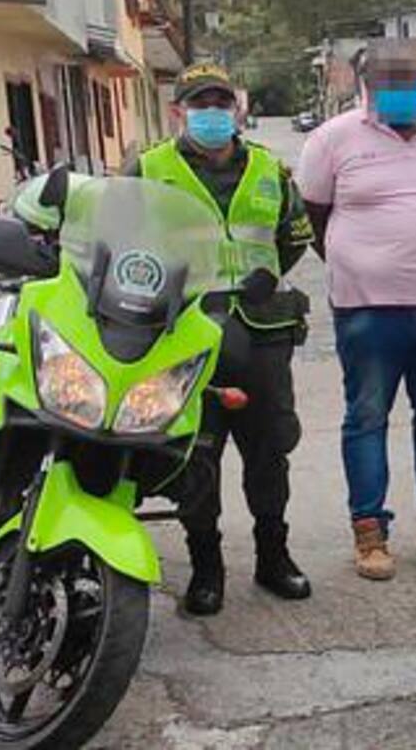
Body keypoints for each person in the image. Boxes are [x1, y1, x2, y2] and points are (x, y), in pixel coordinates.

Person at [125, 62, 315, 615]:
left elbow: (293, 234)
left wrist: (267, 274)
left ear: (237, 109)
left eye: (221, 103)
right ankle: (206, 567)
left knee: (269, 449)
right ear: (178, 110)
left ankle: (273, 557)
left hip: (262, 331)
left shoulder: (268, 169)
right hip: (185, 334)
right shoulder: (147, 169)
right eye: (199, 104)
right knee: (195, 453)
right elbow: (118, 240)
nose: (212, 114)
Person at [297, 42, 416, 582]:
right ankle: (370, 531)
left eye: (411, 82)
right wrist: (361, 263)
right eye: (390, 83)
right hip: (367, 307)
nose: (403, 93)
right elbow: (315, 215)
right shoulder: (332, 139)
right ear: (368, 87)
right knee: (368, 416)